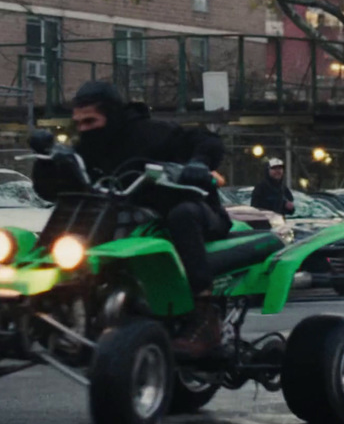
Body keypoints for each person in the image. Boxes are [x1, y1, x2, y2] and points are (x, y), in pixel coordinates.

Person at [41, 80, 231, 354]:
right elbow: (54, 190)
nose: (83, 129)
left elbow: (206, 139)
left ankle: (204, 316)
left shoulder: (154, 133)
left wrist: (199, 162)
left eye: (90, 121)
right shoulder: (85, 149)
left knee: (182, 214)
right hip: (133, 224)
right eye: (79, 122)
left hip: (193, 213)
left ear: (112, 114)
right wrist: (47, 163)